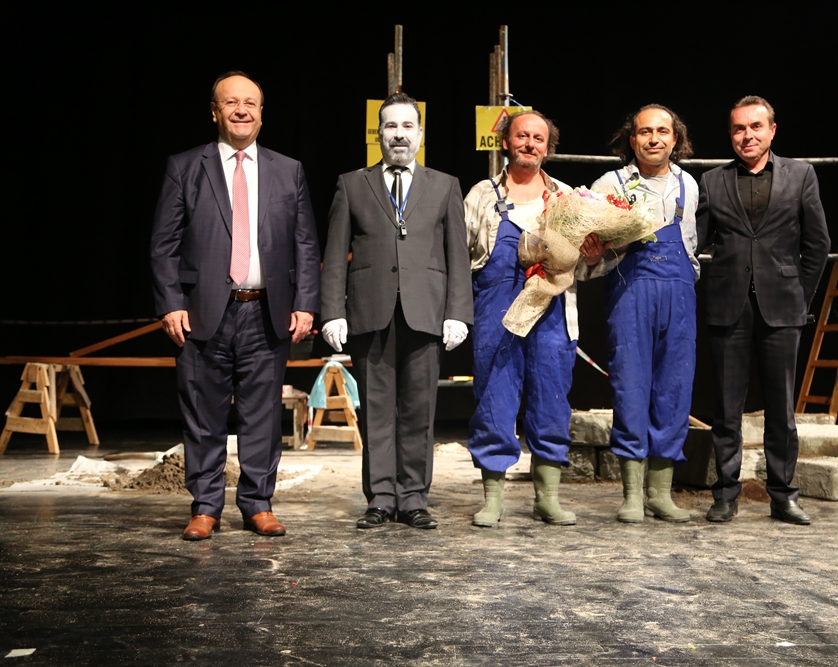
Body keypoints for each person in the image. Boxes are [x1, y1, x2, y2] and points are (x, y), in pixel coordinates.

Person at [150, 71, 322, 540]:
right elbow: (163, 245)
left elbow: (306, 244)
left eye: (250, 103)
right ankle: (205, 507)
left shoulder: (288, 170)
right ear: (215, 112)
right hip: (201, 313)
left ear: (262, 113)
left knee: (262, 416)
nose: (241, 110)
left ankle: (257, 503)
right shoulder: (186, 166)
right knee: (203, 416)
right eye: (231, 103)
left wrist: (306, 303)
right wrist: (170, 303)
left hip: (266, 312)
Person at [320, 92, 473, 530]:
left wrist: (458, 312)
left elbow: (457, 255)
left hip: (426, 312)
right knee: (376, 408)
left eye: (408, 126)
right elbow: (335, 254)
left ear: (420, 134)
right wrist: (332, 311)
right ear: (379, 133)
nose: (399, 134)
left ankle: (414, 498)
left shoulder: (444, 184)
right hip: (370, 312)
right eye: (391, 126)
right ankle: (381, 497)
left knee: (419, 411)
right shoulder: (352, 184)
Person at [696, 96, 830, 525]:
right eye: (739, 129)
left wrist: (799, 296)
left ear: (772, 130)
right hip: (727, 306)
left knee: (781, 409)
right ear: (730, 134)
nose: (747, 135)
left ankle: (784, 495)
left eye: (756, 127)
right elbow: (694, 241)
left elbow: (818, 244)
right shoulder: (712, 180)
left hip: (782, 307)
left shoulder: (801, 174)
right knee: (726, 409)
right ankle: (725, 494)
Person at [465, 110, 595, 527]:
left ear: (548, 147)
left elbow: (585, 267)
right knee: (494, 398)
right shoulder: (482, 195)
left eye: (538, 138)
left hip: (553, 313)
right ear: (506, 142)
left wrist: (593, 254)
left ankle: (547, 497)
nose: (530, 144)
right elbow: (460, 257)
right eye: (522, 136)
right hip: (497, 311)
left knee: (551, 398)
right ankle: (493, 497)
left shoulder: (566, 198)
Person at [584, 104, 699, 524]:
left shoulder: (689, 185)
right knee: (631, 388)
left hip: (679, 298)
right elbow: (591, 251)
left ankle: (660, 494)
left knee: (674, 389)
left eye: (662, 131)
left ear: (675, 139)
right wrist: (594, 252)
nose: (654, 139)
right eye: (645, 132)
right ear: (632, 140)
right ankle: (632, 494)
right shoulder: (609, 184)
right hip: (631, 294)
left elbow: (690, 244)